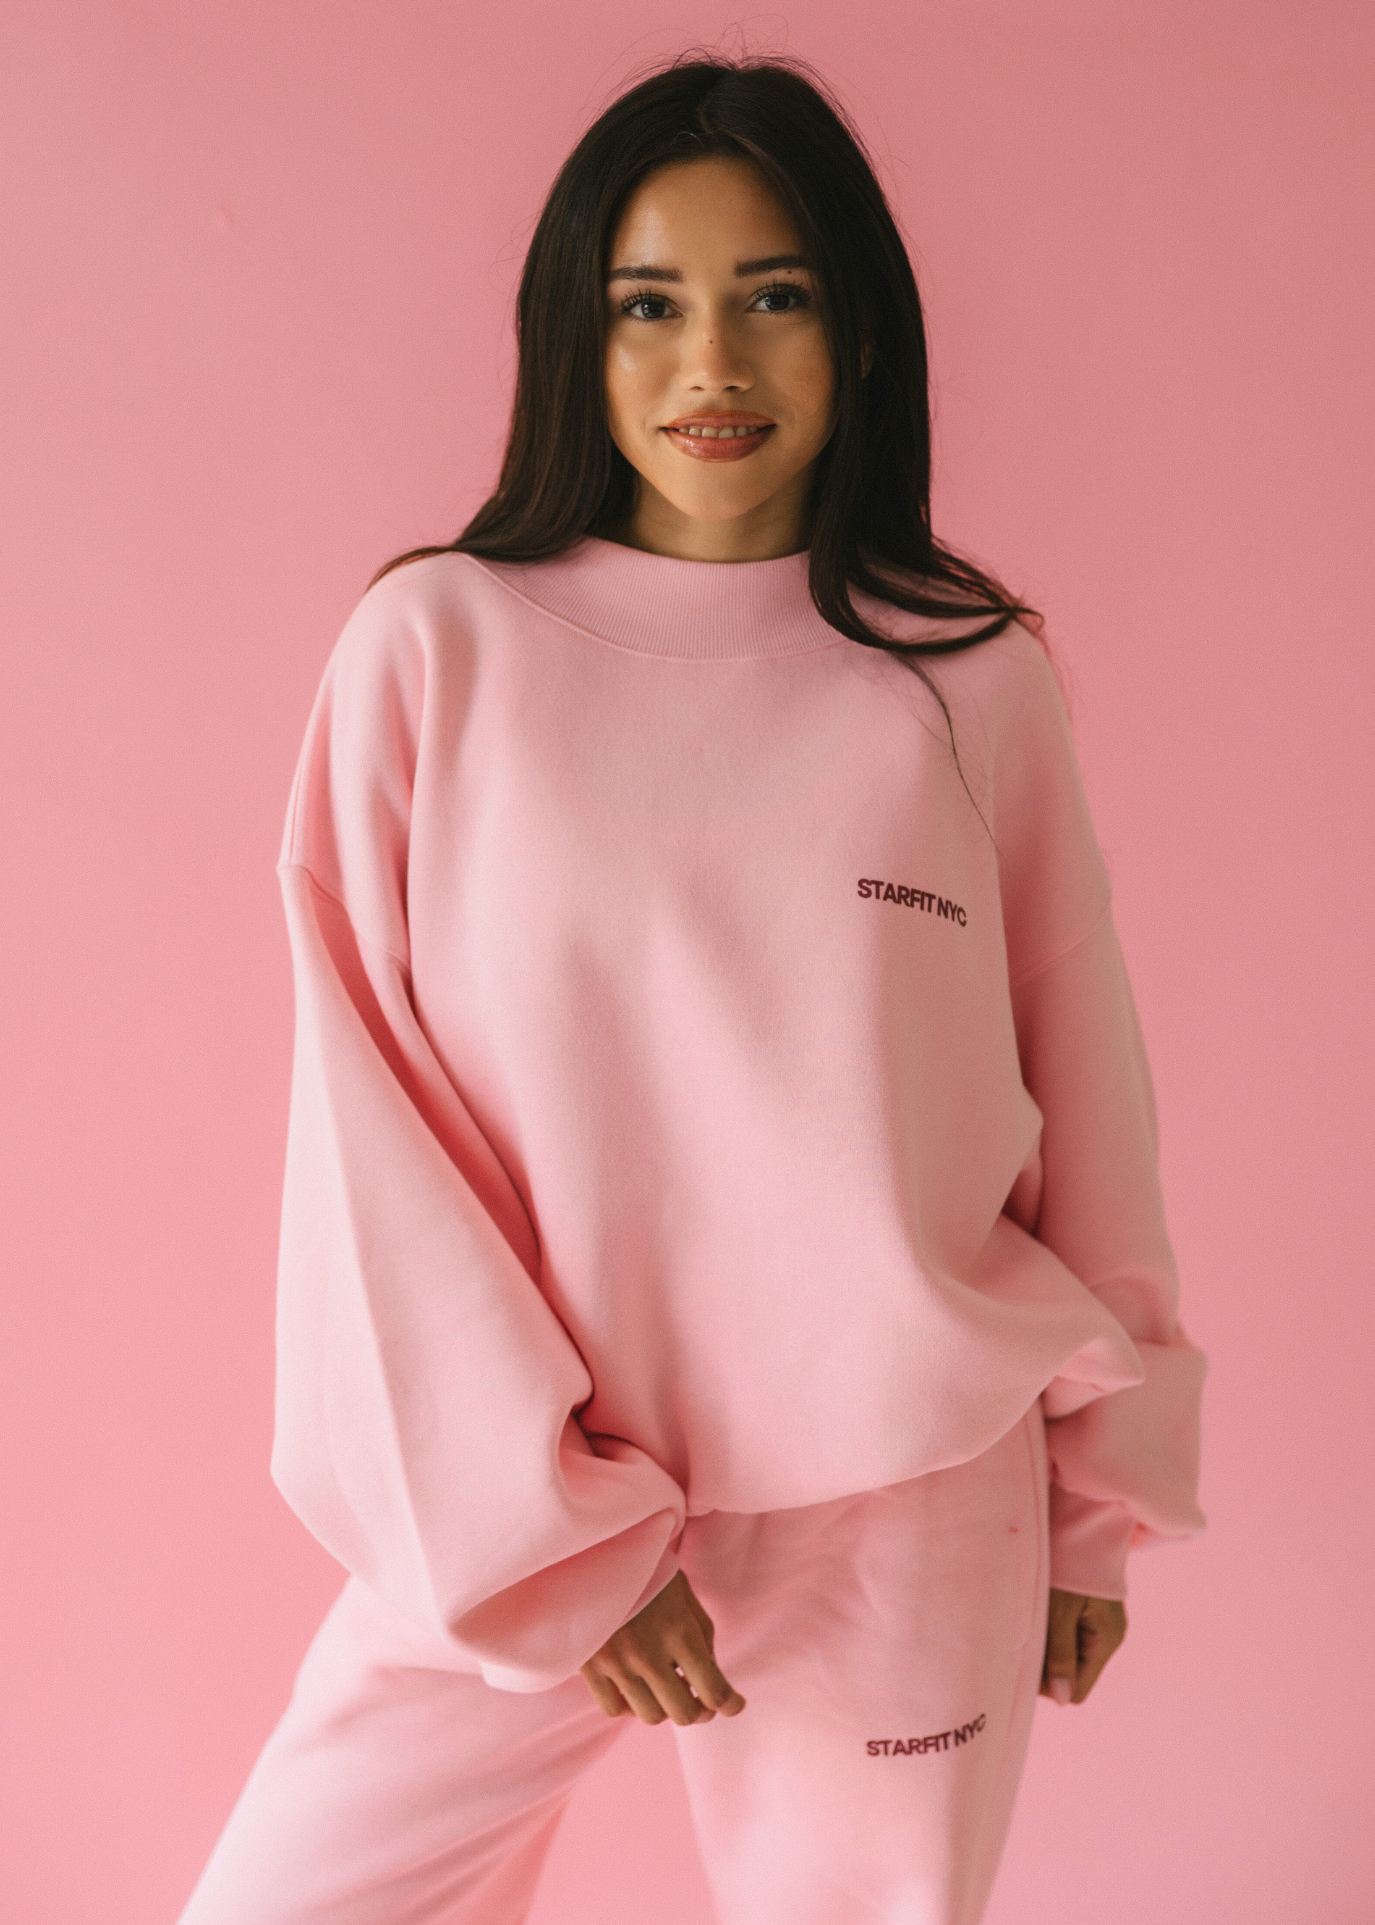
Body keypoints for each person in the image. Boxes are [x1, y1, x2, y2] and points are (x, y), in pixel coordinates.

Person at [177, 52, 1205, 1925]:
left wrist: (1097, 1498)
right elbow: (371, 1138)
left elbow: (1083, 1083)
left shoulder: (965, 677)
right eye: (646, 305)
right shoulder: (434, 650)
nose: (709, 363)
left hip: (908, 1493)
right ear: (571, 337)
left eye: (773, 297)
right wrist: (547, 1537)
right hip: (530, 1495)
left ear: (859, 332)